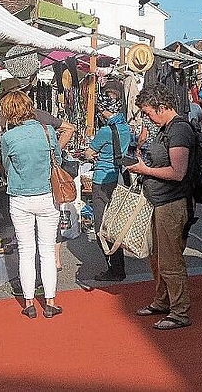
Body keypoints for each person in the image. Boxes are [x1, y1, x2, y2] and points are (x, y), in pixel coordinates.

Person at [129, 84, 194, 331]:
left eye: (148, 112)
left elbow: (178, 172)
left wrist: (145, 170)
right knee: (157, 257)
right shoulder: (166, 129)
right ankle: (163, 300)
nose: (147, 117)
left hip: (172, 202)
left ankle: (179, 311)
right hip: (161, 200)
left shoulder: (178, 130)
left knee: (169, 259)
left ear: (161, 106)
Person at [0, 91, 62, 319]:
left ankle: (28, 302)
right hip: (47, 195)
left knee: (26, 251)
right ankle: (50, 301)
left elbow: (7, 167)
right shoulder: (47, 131)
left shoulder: (8, 137)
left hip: (20, 197)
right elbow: (59, 160)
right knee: (47, 250)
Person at [84, 91, 131, 281]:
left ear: (104, 110)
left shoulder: (105, 131)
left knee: (102, 225)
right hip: (120, 178)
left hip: (103, 179)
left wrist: (93, 154)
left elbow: (88, 153)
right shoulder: (125, 128)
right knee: (116, 223)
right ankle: (119, 264)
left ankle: (114, 267)